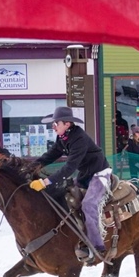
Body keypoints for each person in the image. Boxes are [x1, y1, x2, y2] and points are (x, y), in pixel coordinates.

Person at [30, 106, 111, 265]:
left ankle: (97, 246)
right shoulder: (62, 137)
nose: (53, 126)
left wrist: (45, 181)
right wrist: (31, 167)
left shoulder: (79, 138)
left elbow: (69, 167)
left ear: (67, 124)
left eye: (56, 123)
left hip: (99, 175)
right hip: (85, 175)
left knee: (88, 205)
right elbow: (50, 155)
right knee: (66, 199)